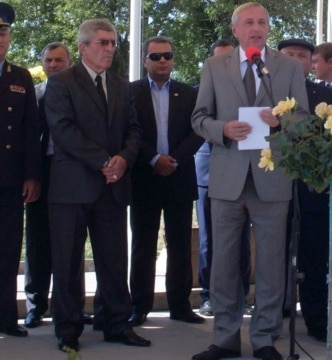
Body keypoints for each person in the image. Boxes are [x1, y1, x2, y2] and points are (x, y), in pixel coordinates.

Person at [190, 3, 308, 360]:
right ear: (236, 30)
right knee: (225, 262)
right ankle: (225, 336)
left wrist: (281, 123)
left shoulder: (286, 67)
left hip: (273, 178)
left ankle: (264, 337)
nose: (256, 28)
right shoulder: (214, 66)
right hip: (228, 178)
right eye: (249, 23)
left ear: (268, 29)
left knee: (272, 262)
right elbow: (198, 118)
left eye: (262, 22)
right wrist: (222, 129)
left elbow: (302, 117)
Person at [45, 18, 150, 352]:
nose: (109, 48)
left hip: (112, 187)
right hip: (72, 187)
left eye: (113, 42)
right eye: (102, 42)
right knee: (67, 262)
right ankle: (68, 329)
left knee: (114, 260)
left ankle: (117, 323)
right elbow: (63, 131)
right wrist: (105, 161)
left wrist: (123, 159)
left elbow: (134, 129)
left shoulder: (122, 85)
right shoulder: (61, 83)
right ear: (83, 47)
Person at [128, 36, 204, 327]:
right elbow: (127, 130)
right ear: (145, 60)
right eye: (156, 56)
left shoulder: (188, 93)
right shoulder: (130, 92)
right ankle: (139, 306)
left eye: (167, 56)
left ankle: (180, 306)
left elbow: (198, 130)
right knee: (143, 245)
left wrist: (173, 160)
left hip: (179, 175)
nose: (162, 61)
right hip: (144, 177)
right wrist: (152, 159)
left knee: (180, 244)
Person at [23, 42, 97, 329]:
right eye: (49, 60)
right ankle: (35, 305)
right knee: (38, 242)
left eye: (59, 60)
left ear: (70, 62)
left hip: (74, 175)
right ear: (42, 64)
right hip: (43, 174)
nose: (54, 65)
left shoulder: (80, 94)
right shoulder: (34, 95)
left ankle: (71, 306)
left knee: (72, 243)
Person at [277, 37, 332, 342]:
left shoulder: (325, 96)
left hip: (312, 190)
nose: (296, 60)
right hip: (272, 187)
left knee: (315, 259)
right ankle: (272, 321)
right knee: (274, 257)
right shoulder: (265, 92)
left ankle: (317, 320)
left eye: (303, 56)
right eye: (289, 55)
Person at [0, 2, 41, 338]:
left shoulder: (21, 76)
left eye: (3, 32)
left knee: (9, 250)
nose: (0, 38)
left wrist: (32, 175)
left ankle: (4, 317)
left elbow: (31, 130)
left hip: (10, 181)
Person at [195, 39, 241, 317]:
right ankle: (209, 295)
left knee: (242, 243)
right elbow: (197, 124)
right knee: (210, 240)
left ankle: (239, 295)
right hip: (209, 172)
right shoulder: (204, 89)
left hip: (244, 171)